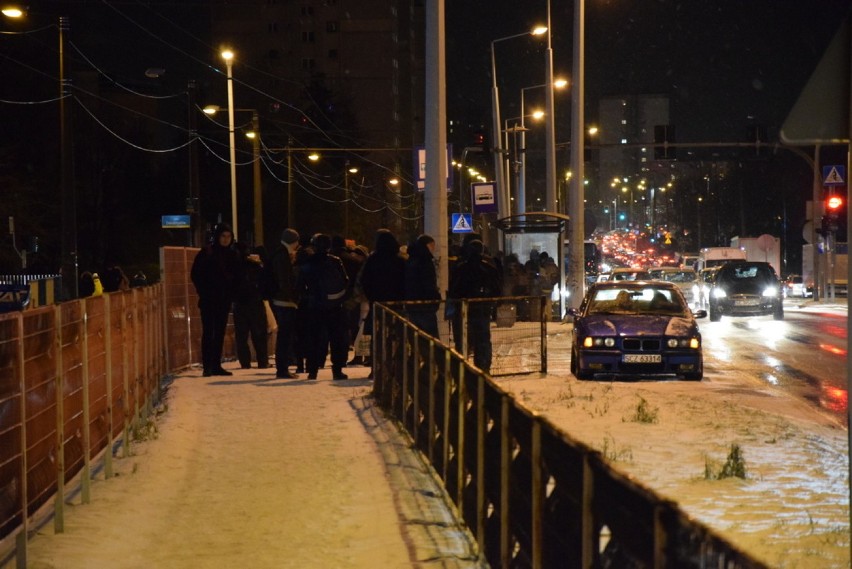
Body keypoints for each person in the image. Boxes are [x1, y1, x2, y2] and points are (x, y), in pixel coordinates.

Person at [190, 223, 242, 377]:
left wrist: (232, 293)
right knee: (209, 332)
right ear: (217, 237)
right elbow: (196, 275)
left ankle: (216, 365)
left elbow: (238, 276)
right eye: (223, 236)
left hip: (224, 300)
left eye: (228, 236)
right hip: (208, 300)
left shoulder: (233, 255)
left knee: (219, 332)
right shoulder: (207, 253)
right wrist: (204, 292)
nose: (226, 240)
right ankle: (207, 366)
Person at [296, 233, 350, 380]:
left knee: (314, 338)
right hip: (335, 305)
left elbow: (300, 285)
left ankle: (312, 370)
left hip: (314, 306)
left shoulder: (308, 264)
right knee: (336, 339)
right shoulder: (335, 261)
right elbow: (345, 281)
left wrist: (308, 297)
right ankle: (337, 370)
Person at [357, 229, 406, 377]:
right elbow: (405, 282)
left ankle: (376, 367)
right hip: (396, 305)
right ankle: (394, 366)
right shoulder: (400, 261)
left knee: (377, 336)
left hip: (377, 304)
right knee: (395, 336)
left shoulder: (373, 260)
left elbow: (365, 281)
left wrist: (372, 297)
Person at [448, 239, 501, 373]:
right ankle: (483, 368)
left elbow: (454, 289)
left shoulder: (460, 268)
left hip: (463, 310)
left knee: (463, 341)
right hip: (482, 309)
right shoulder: (488, 268)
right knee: (482, 339)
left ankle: (462, 368)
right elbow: (496, 288)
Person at [268, 228, 301, 379]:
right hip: (284, 301)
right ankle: (282, 369)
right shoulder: (283, 256)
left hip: (281, 299)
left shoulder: (279, 253)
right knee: (285, 336)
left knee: (284, 335)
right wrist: (293, 297)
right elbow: (284, 281)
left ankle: (283, 368)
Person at [233, 243, 269, 370]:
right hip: (255, 303)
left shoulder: (234, 268)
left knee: (241, 336)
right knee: (259, 335)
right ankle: (262, 361)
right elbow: (264, 282)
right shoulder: (255, 266)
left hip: (240, 304)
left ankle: (245, 363)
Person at [404, 234, 441, 338]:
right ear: (427, 245)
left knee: (416, 337)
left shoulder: (410, 260)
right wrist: (435, 298)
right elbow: (428, 283)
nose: (434, 249)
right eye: (432, 246)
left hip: (411, 304)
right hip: (426, 305)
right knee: (430, 338)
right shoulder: (425, 262)